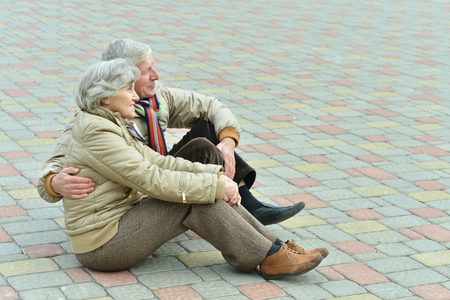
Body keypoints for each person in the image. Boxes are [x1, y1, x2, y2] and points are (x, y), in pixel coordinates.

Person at [53, 58, 326, 278]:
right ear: (104, 98)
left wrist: (215, 177)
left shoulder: (110, 121)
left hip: (118, 223)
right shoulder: (96, 131)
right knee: (195, 199)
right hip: (102, 246)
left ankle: (275, 249)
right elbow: (151, 179)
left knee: (203, 189)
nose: (134, 95)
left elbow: (157, 161)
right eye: (127, 89)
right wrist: (216, 186)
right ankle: (268, 257)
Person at [37, 38, 304, 225]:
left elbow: (212, 105)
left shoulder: (158, 99)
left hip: (162, 171)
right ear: (122, 76)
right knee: (201, 147)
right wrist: (54, 183)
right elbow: (50, 169)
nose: (156, 75)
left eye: (153, 66)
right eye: (146, 70)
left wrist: (228, 142)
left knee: (210, 129)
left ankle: (248, 205)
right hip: (141, 189)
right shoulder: (94, 120)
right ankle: (238, 211)